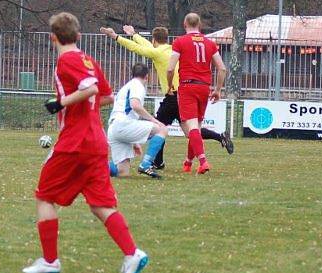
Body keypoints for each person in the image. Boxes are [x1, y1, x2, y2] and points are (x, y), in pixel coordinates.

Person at [22, 12, 148, 273]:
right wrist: (78, 103)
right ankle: (132, 253)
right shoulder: (88, 59)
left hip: (75, 142)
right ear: (78, 35)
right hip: (96, 142)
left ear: (52, 37)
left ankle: (49, 261)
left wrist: (62, 103)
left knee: (45, 197)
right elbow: (107, 95)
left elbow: (90, 89)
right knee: (101, 204)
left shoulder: (67, 59)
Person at [99, 24, 233, 172]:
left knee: (159, 127)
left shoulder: (157, 52)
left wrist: (116, 37)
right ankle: (219, 137)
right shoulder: (169, 49)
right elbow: (147, 45)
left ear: (154, 40)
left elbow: (138, 48)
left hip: (173, 95)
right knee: (191, 131)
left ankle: (157, 162)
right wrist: (134, 34)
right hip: (182, 93)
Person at [166, 13, 226, 174]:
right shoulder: (210, 43)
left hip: (187, 86)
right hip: (204, 87)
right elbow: (222, 68)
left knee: (191, 127)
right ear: (200, 25)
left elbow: (171, 68)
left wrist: (170, 84)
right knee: (196, 128)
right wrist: (218, 89)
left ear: (185, 24)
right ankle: (188, 162)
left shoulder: (180, 42)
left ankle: (203, 161)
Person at [107, 62, 168, 179]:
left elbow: (127, 111)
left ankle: (89, 167)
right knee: (162, 129)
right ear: (147, 76)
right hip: (123, 125)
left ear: (133, 74)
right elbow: (135, 105)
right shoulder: (138, 85)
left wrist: (134, 141)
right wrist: (153, 120)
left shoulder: (127, 86)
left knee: (122, 171)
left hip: (115, 127)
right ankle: (146, 164)